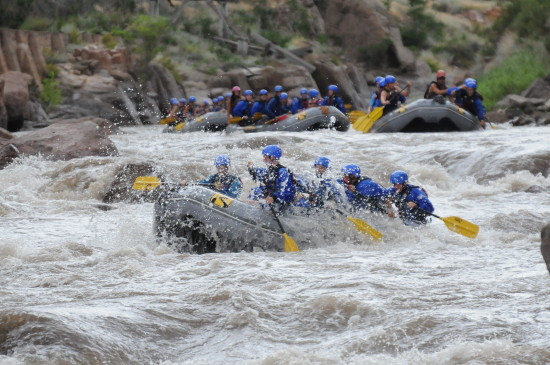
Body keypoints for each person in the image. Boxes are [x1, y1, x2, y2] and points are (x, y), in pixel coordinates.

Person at [247, 145, 295, 213]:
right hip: (271, 198)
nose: (263, 159)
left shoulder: (283, 172)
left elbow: (289, 193)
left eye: (265, 157)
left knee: (263, 201)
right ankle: (250, 208)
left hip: (280, 204)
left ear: (272, 157)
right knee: (255, 191)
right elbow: (260, 173)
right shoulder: (271, 170)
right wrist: (251, 169)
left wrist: (274, 197)